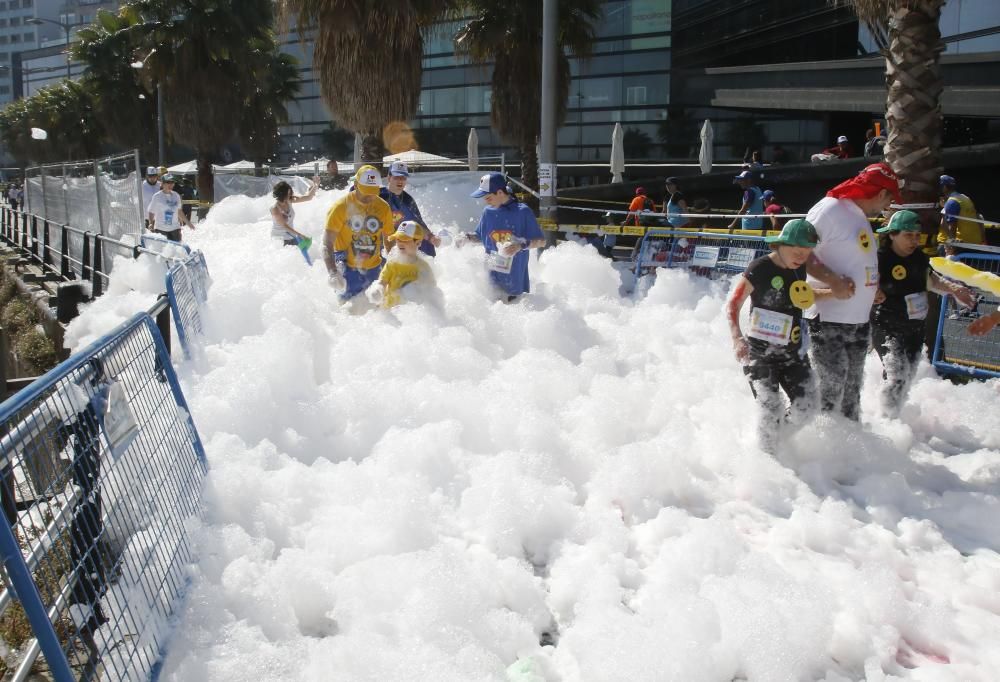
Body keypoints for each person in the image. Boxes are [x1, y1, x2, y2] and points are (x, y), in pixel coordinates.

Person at [804, 162, 900, 421]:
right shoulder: (830, 209)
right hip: (828, 320)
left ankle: (849, 450)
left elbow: (855, 259)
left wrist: (873, 288)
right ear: (881, 194)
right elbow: (799, 251)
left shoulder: (857, 215)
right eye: (890, 198)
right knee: (829, 392)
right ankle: (820, 449)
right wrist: (832, 280)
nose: (888, 206)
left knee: (851, 394)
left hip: (858, 321)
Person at [726, 219, 829, 452]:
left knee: (809, 404)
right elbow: (733, 303)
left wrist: (834, 293)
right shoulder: (759, 268)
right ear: (780, 245)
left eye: (807, 253)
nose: (802, 258)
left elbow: (801, 294)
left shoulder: (798, 268)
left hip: (792, 352)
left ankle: (780, 443)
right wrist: (737, 338)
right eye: (797, 251)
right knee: (770, 411)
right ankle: (768, 461)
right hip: (760, 355)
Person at [871, 210, 975, 416]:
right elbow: (864, 281)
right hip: (887, 326)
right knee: (897, 375)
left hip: (915, 327)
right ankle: (886, 422)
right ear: (892, 234)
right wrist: (872, 290)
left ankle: (892, 416)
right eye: (908, 235)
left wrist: (954, 290)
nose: (914, 240)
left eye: (917, 235)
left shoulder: (919, 257)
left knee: (907, 374)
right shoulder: (880, 258)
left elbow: (932, 279)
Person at [464, 171, 545, 301]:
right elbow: (480, 236)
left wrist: (520, 246)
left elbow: (541, 241)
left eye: (488, 198)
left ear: (500, 193)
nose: (486, 202)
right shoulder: (487, 212)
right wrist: (466, 238)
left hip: (515, 283)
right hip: (491, 283)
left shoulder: (522, 211)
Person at [323, 164, 394, 300]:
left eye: (373, 192)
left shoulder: (384, 207)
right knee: (347, 314)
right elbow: (327, 244)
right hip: (347, 271)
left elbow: (389, 240)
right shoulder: (340, 207)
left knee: (377, 313)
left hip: (375, 270)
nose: (370, 197)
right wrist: (333, 272)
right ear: (355, 185)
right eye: (366, 192)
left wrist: (394, 266)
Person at [367, 220, 437, 308]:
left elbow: (431, 290)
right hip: (390, 312)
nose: (400, 243)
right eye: (398, 239)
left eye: (405, 239)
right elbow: (382, 282)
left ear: (418, 243)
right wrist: (378, 290)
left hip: (412, 314)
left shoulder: (422, 267)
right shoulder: (392, 264)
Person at [379, 161, 441, 257]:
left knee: (426, 243)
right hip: (378, 241)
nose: (400, 181)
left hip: (398, 241)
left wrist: (431, 237)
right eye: (396, 177)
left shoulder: (408, 200)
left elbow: (418, 224)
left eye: (403, 178)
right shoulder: (379, 195)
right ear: (389, 178)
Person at [937, 174, 985, 254]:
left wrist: (951, 245)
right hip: (971, 244)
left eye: (939, 187)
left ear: (944, 188)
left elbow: (951, 226)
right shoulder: (965, 198)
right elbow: (979, 217)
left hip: (959, 245)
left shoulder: (952, 202)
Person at [270, 178, 318, 255]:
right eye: (288, 193)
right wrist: (300, 235)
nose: (290, 195)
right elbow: (284, 226)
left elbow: (308, 197)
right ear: (282, 194)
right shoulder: (275, 208)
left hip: (290, 236)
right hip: (279, 239)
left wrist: (315, 185)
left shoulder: (289, 200)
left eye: (290, 193)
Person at [146, 173, 193, 242]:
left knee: (176, 250)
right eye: (168, 182)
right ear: (162, 184)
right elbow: (151, 211)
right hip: (161, 229)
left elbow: (179, 211)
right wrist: (150, 223)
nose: (171, 185)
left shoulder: (176, 196)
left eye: (172, 182)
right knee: (163, 251)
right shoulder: (157, 196)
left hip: (175, 229)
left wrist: (189, 224)